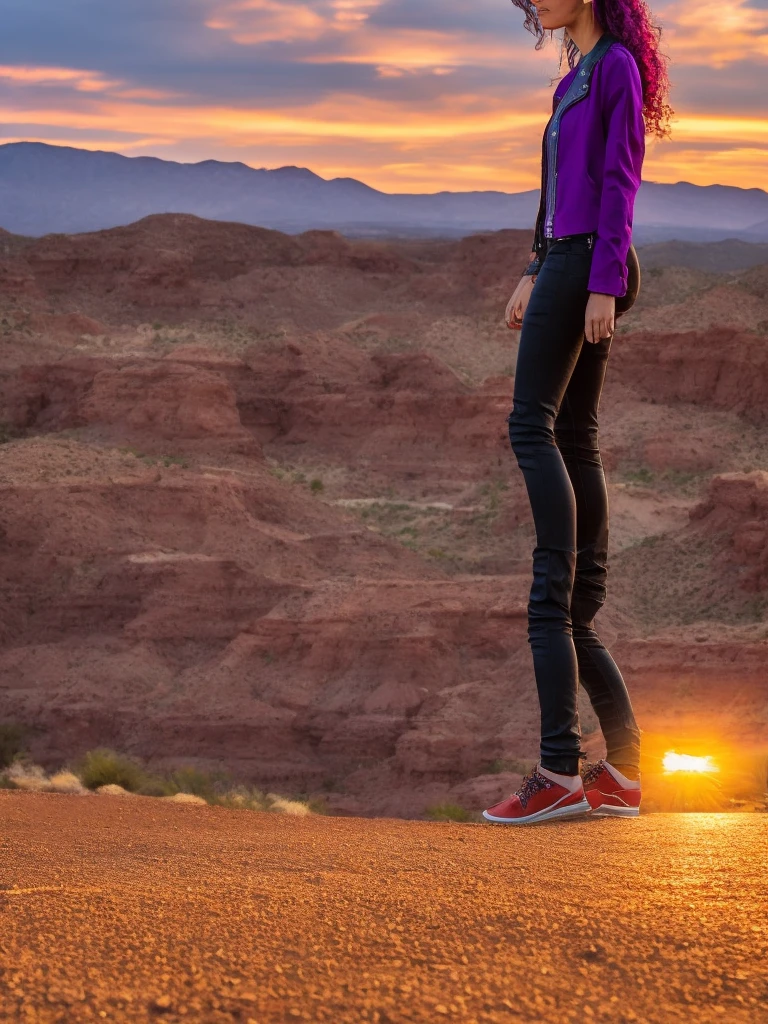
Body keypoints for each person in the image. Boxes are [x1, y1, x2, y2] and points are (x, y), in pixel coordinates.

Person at [483, 0, 673, 824]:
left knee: (532, 423)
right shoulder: (575, 77)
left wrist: (598, 281)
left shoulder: (616, 69)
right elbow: (554, 186)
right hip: (562, 257)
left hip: (591, 260)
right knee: (570, 431)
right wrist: (533, 263)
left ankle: (559, 771)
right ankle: (621, 775)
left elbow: (619, 177)